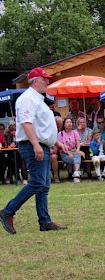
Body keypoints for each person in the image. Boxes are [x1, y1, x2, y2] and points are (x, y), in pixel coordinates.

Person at [0, 67, 68, 234]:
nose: (47, 82)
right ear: (36, 80)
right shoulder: (29, 99)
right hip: (33, 146)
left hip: (39, 145)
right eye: (45, 79)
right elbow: (26, 123)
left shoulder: (37, 99)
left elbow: (41, 126)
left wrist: (57, 142)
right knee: (38, 183)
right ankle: (7, 212)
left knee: (43, 185)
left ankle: (45, 221)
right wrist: (36, 144)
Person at [58, 118, 83, 183]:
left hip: (74, 151)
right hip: (65, 153)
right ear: (64, 125)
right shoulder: (60, 134)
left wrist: (78, 149)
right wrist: (69, 153)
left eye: (70, 122)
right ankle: (76, 174)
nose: (69, 124)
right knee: (75, 158)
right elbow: (61, 146)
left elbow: (78, 142)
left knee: (78, 154)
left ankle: (76, 174)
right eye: (67, 122)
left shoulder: (75, 132)